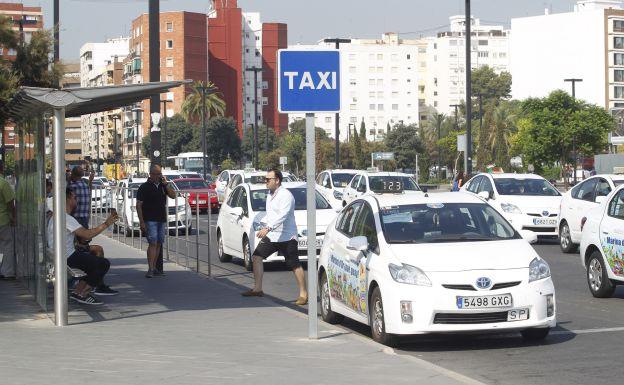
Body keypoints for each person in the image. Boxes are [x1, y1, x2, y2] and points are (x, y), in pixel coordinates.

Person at [242, 168, 308, 305]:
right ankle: (258, 288)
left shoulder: (286, 195)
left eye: (268, 179)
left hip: (287, 236)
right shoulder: (269, 195)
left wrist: (268, 228)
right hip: (273, 236)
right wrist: (265, 225)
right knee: (257, 256)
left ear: (277, 180)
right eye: (265, 179)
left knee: (294, 264)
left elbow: (282, 216)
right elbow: (272, 216)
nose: (265, 182)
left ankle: (303, 294)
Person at [47, 188, 118, 305]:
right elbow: (87, 234)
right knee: (103, 264)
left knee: (95, 258)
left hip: (63, 255)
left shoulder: (57, 216)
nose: (77, 200)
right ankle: (82, 293)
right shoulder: (65, 218)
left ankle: (78, 291)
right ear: (68, 199)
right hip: (67, 257)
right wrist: (107, 223)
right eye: (75, 198)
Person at [136, 164, 175, 278]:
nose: (159, 176)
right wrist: (142, 222)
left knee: (158, 243)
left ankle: (154, 267)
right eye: (157, 174)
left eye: (160, 174)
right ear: (151, 174)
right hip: (150, 220)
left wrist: (166, 184)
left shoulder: (163, 186)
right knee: (152, 243)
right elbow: (139, 205)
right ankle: (151, 269)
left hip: (161, 219)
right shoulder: (144, 187)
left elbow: (173, 196)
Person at [0, 175, 16, 280]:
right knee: (7, 245)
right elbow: (10, 202)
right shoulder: (3, 183)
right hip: (2, 219)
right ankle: (7, 272)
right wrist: (13, 217)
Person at [68, 164, 94, 229]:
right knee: (82, 238)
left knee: (73, 238)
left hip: (74, 218)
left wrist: (68, 179)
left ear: (73, 175)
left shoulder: (72, 187)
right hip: (85, 219)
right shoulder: (85, 186)